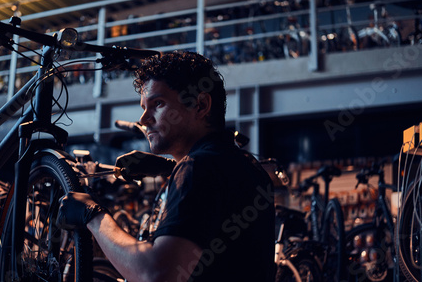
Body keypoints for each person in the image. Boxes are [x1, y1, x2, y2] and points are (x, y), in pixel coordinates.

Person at [58, 51, 276, 281]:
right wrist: (169, 166)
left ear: (201, 105)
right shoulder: (250, 166)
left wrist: (92, 214)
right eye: (144, 106)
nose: (143, 119)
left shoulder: (198, 168)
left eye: (158, 104)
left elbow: (156, 275)